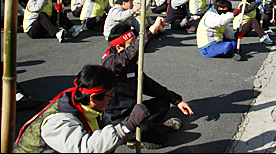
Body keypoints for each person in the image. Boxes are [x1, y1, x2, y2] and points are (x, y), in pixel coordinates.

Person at [14, 64, 151, 153]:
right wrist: (128, 125)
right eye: (110, 95)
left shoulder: (80, 102)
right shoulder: (59, 122)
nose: (111, 99)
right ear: (93, 98)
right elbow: (86, 148)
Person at [101, 19, 194, 150]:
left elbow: (149, 86)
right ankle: (139, 134)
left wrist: (177, 100)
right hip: (116, 120)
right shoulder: (110, 64)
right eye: (131, 43)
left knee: (162, 104)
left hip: (132, 111)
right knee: (157, 136)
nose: (135, 46)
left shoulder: (130, 65)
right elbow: (130, 54)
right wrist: (151, 31)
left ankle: (140, 133)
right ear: (118, 47)